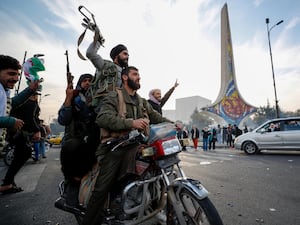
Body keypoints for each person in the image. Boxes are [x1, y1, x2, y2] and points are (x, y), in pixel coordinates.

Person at [82, 66, 172, 225]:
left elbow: (156, 117)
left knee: (159, 166)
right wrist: (131, 123)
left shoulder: (142, 101)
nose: (139, 77)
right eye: (135, 74)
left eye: (139, 74)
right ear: (125, 77)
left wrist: (175, 124)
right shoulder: (114, 96)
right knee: (101, 189)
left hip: (138, 146)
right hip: (115, 148)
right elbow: (102, 118)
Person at [0, 54, 40, 194]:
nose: (16, 78)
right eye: (11, 74)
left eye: (17, 75)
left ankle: (7, 183)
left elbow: (11, 104)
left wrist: (30, 89)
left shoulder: (3, 91)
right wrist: (11, 121)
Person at [58, 73, 99, 207]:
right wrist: (68, 98)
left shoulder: (98, 98)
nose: (87, 83)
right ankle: (70, 191)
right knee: (73, 172)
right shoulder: (74, 97)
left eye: (90, 80)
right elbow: (63, 119)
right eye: (84, 81)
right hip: (75, 140)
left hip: (93, 139)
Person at [85, 28, 129, 114]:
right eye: (125, 53)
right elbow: (90, 53)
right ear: (116, 55)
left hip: (120, 109)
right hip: (103, 108)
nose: (127, 57)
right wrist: (98, 41)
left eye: (128, 54)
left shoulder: (126, 72)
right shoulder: (105, 66)